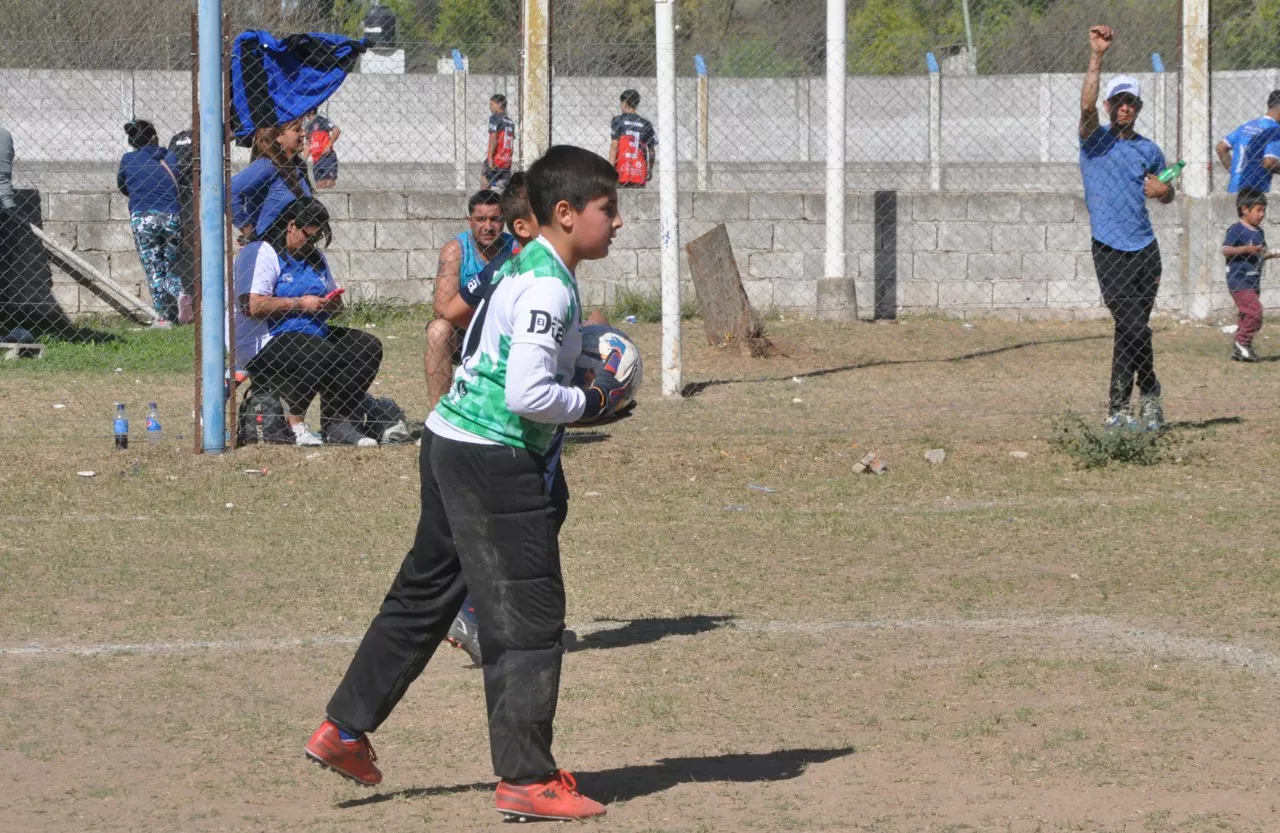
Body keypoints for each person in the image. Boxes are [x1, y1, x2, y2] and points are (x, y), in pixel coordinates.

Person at [305, 145, 632, 822]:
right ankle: (526, 777)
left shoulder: (526, 266)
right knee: (530, 617)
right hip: (493, 458)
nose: (619, 222)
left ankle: (343, 728)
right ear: (566, 214)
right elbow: (527, 391)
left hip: (451, 442)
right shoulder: (547, 285)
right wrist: (592, 402)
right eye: (609, 209)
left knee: (425, 595)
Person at [1078, 25, 1175, 432]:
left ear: (1137, 107)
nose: (1124, 108)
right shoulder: (1093, 140)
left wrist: (1164, 190)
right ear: (1108, 104)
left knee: (1127, 331)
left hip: (1145, 251)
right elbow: (1084, 109)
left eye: (1130, 102)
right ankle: (1150, 392)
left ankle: (1117, 410)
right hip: (1109, 249)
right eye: (1118, 101)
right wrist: (1097, 56)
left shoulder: (1149, 149)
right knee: (1136, 326)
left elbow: (1167, 190)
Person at [234, 197, 383, 446]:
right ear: (291, 225)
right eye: (309, 236)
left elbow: (334, 303)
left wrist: (330, 304)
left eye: (316, 239)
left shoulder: (314, 258)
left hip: (312, 330)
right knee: (317, 351)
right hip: (265, 338)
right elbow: (253, 306)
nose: (311, 244)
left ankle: (339, 423)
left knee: (366, 346)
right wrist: (299, 304)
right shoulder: (262, 251)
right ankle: (296, 424)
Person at [424, 189, 515, 409]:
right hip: (464, 330)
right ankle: (440, 413)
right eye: (480, 219)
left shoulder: (515, 249)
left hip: (507, 332)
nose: (488, 226)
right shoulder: (455, 250)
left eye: (495, 219)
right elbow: (442, 309)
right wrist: (483, 327)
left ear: (505, 221)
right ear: (469, 220)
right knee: (437, 329)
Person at [117, 119, 190, 327]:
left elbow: (122, 185)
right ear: (154, 137)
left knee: (153, 268)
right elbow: (177, 178)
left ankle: (163, 317)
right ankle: (179, 292)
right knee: (165, 266)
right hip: (171, 216)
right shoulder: (169, 157)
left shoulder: (128, 159)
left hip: (144, 217)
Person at [230, 119, 311, 242]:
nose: (303, 134)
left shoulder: (299, 167)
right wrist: (246, 228)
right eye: (297, 130)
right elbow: (229, 190)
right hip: (271, 250)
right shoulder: (267, 166)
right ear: (278, 137)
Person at [1222, 189, 1279, 362]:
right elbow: (1226, 250)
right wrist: (1245, 249)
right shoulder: (1237, 229)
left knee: (1249, 315)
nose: (1262, 214)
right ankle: (1242, 344)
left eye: (1264, 210)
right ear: (1245, 209)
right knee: (1255, 312)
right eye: (1259, 210)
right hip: (1239, 281)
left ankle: (1241, 348)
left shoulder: (1259, 232)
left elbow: (1261, 254)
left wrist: (1274, 253)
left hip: (1253, 280)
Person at [1216, 91, 1280, 194]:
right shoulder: (1275, 130)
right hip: (1254, 193)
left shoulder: (1247, 125)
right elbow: (1269, 163)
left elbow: (1221, 147)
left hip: (1234, 189)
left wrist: (1233, 171)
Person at [609, 89, 657, 188]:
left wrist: (610, 168)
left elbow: (614, 145)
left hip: (621, 171)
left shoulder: (617, 120)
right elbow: (651, 151)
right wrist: (650, 169)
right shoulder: (646, 124)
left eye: (621, 103)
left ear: (625, 104)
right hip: (639, 171)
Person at [482, 94, 515, 190]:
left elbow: (493, 137)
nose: (490, 107)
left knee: (484, 187)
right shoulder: (510, 122)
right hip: (506, 161)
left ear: (499, 105)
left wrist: (490, 158)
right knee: (504, 189)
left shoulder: (495, 118)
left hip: (496, 159)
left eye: (492, 104)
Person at [305, 108, 341, 189]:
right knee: (319, 185)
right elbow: (308, 143)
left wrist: (328, 146)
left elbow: (336, 131)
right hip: (316, 159)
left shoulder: (322, 120)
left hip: (327, 157)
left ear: (311, 110)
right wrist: (304, 159)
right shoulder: (307, 125)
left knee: (329, 183)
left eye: (305, 109)